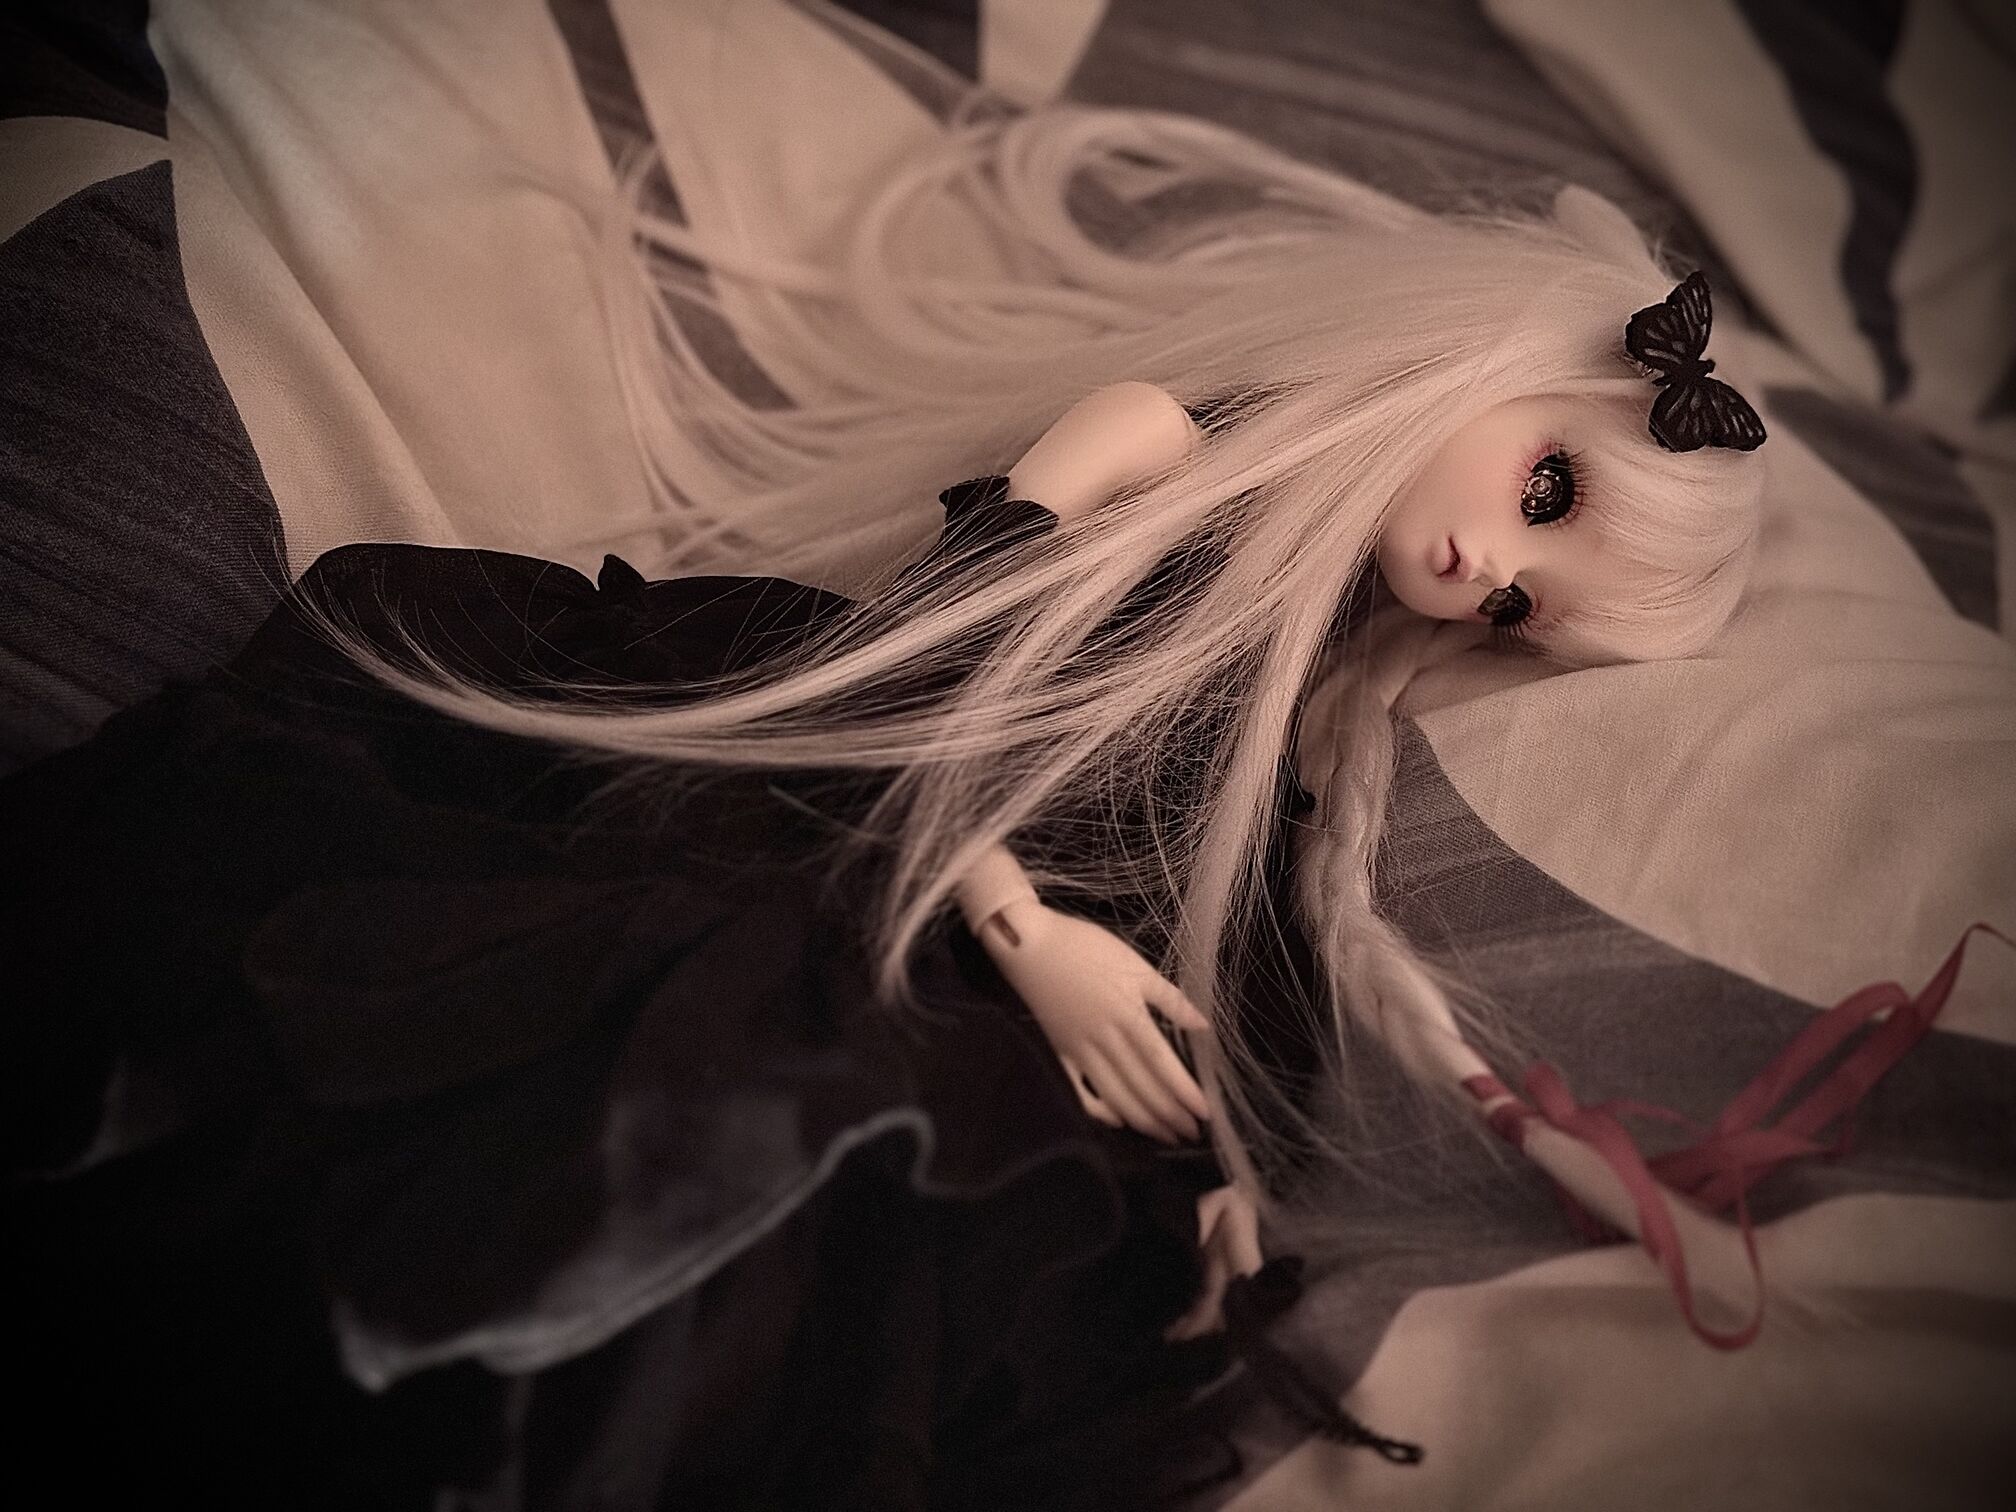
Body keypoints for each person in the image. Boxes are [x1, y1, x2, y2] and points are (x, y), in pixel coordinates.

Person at [3, 104, 1765, 1510]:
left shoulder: (1302, 692)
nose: (1481, 570)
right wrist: (1018, 927)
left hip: (1030, 940)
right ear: (1490, 360)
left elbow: (1215, 897)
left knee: (890, 1241)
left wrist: (1226, 1161)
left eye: (1520, 605)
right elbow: (929, 683)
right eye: (1547, 488)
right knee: (690, 1082)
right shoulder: (1156, 448)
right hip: (877, 829)